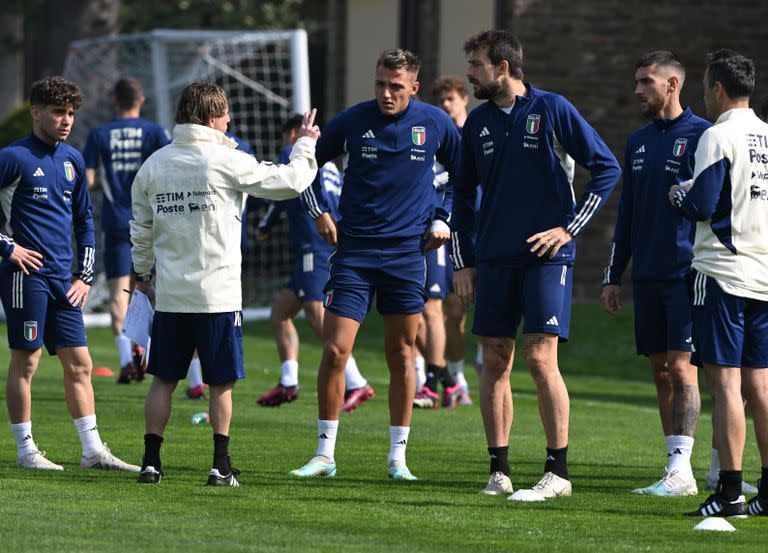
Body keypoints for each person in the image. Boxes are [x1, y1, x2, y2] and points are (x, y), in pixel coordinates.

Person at [452, 30, 620, 499]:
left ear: (503, 68)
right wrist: (464, 262)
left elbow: (606, 168)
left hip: (548, 257)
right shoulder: (477, 124)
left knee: (540, 357)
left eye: (477, 65)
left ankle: (558, 472)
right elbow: (461, 197)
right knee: (495, 359)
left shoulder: (552, 109)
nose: (470, 74)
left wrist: (568, 229)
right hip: (493, 259)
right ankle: (499, 471)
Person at [130, 82, 320, 486]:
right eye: (226, 114)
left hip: (171, 296)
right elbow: (289, 182)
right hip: (216, 293)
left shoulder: (154, 165)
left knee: (164, 378)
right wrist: (304, 145)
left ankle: (150, 462)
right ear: (211, 117)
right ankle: (220, 465)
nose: (231, 121)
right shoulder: (226, 160)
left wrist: (144, 276)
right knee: (220, 382)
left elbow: (141, 231)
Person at [290, 49, 460, 481]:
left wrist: (444, 217)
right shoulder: (352, 120)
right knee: (334, 349)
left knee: (401, 353)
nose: (386, 93)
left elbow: (466, 175)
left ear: (414, 88)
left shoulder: (435, 123)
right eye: (381, 83)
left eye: (396, 86)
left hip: (407, 255)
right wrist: (320, 213)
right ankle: (324, 454)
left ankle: (397, 458)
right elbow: (306, 167)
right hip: (354, 255)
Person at [0, 76, 138, 472]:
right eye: (58, 112)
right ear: (36, 112)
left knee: (81, 363)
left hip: (65, 280)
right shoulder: (12, 157)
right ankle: (27, 451)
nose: (65, 120)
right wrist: (8, 247)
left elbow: (84, 221)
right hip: (26, 277)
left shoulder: (74, 160)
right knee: (27, 361)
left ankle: (92, 452)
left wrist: (85, 276)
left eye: (71, 114)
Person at [601, 52, 711, 496]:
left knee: (684, 368)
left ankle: (687, 469)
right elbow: (626, 214)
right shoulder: (638, 140)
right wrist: (613, 274)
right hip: (646, 274)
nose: (637, 90)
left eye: (646, 82)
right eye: (637, 81)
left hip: (688, 274)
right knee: (661, 371)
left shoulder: (705, 136)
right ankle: (674, 467)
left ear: (672, 85)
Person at [668, 49, 768, 517]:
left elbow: (704, 204)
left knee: (727, 385)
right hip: (764, 277)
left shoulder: (716, 134)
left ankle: (729, 492)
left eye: (707, 88)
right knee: (761, 387)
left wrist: (679, 194)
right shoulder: (767, 136)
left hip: (723, 274)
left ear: (718, 89)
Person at [256, 115, 373, 412]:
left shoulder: (296, 152)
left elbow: (284, 190)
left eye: (286, 139)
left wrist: (266, 225)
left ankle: (356, 381)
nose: (285, 146)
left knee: (316, 315)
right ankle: (288, 381)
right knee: (281, 313)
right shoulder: (331, 165)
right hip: (325, 241)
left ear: (294, 134)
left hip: (314, 242)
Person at [84, 77, 171, 384]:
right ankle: (149, 357)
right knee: (157, 291)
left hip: (118, 222)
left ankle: (126, 362)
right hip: (153, 221)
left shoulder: (99, 134)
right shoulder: (154, 132)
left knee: (118, 293)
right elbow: (170, 168)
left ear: (114, 101)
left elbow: (90, 179)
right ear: (141, 100)